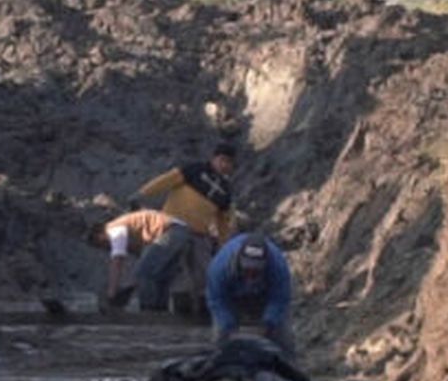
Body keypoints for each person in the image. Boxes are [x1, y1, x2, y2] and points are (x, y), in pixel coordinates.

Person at [131, 140, 238, 313]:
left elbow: (223, 221)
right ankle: (150, 308)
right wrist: (142, 193)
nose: (225, 165)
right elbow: (166, 180)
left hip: (199, 235)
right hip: (173, 226)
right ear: (213, 158)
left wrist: (222, 245)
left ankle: (200, 311)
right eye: (222, 160)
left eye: (229, 162)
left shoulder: (225, 190)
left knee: (203, 275)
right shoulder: (194, 170)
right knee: (150, 267)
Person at [206, 231, 296, 359]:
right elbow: (217, 300)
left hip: (265, 296)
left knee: (283, 337)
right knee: (221, 336)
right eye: (247, 270)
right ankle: (219, 366)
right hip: (231, 297)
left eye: (255, 271)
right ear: (239, 260)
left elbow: (280, 299)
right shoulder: (219, 267)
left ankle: (289, 367)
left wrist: (268, 322)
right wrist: (228, 324)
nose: (250, 275)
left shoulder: (278, 265)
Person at [87, 208, 189, 310]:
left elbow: (117, 261)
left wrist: (111, 293)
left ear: (100, 235)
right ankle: (161, 312)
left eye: (100, 244)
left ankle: (148, 311)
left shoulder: (115, 230)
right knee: (160, 277)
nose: (105, 248)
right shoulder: (130, 232)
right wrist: (130, 284)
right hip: (182, 232)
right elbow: (144, 257)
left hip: (171, 231)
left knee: (144, 274)